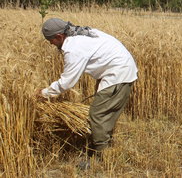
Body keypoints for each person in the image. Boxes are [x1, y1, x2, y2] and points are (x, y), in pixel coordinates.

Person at [39, 18, 138, 168]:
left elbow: (67, 82)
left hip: (118, 73)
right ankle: (105, 146)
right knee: (104, 113)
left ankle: (100, 157)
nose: (51, 44)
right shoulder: (83, 33)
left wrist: (44, 93)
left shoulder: (73, 48)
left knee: (97, 115)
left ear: (59, 36)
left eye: (51, 40)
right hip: (118, 70)